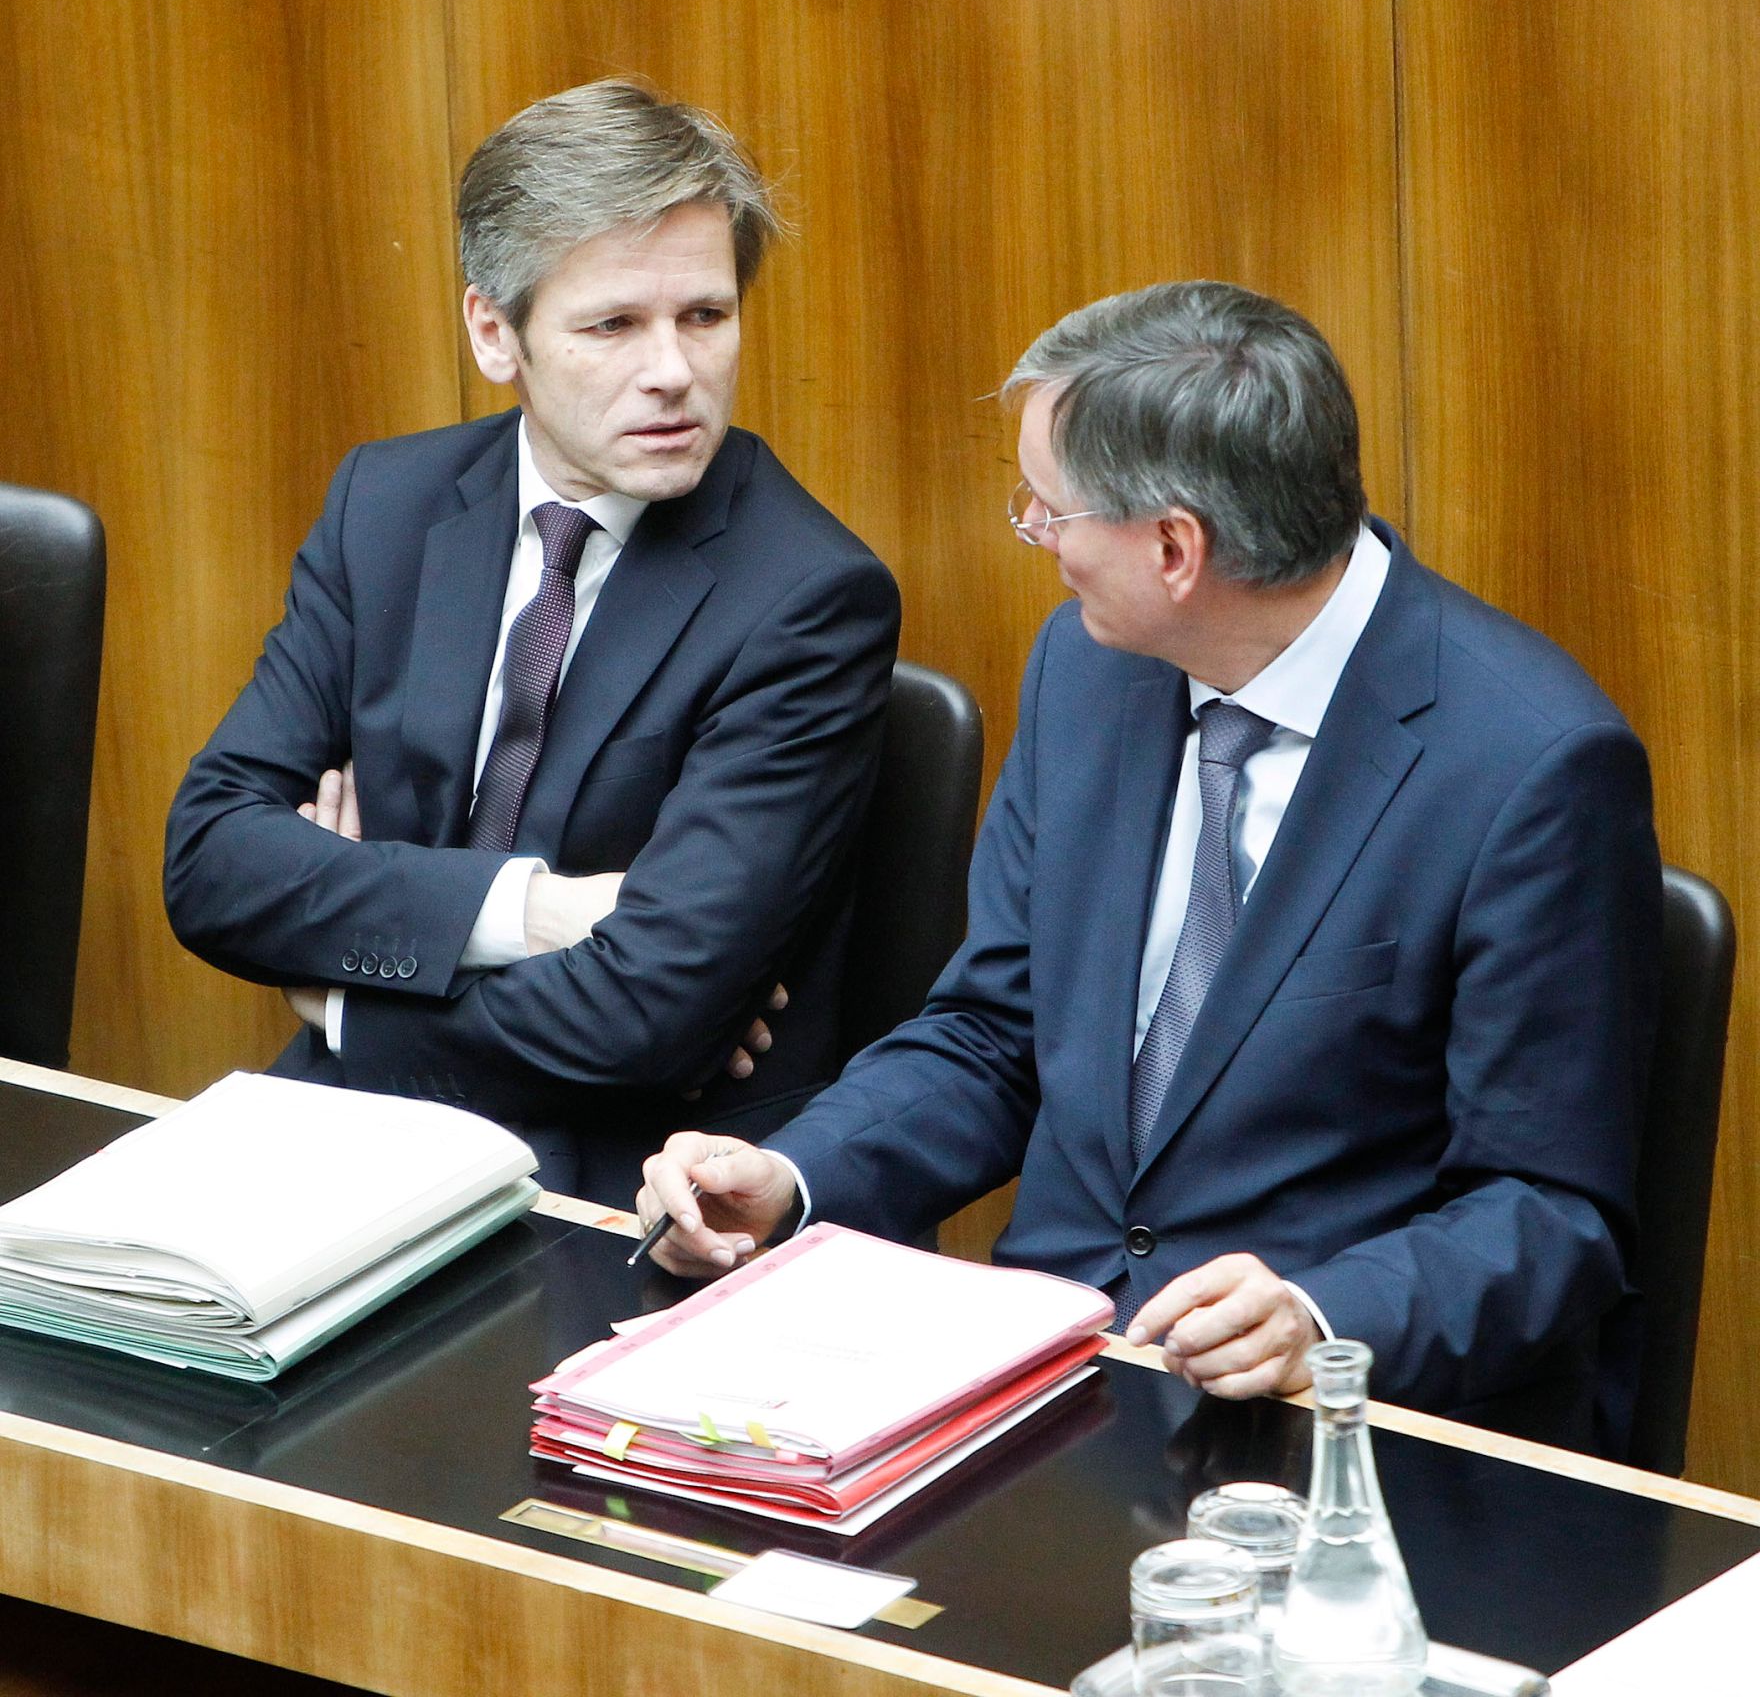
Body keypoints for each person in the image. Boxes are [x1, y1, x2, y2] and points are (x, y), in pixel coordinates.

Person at [638, 280, 1661, 1451]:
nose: (1034, 530)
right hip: (1049, 1393)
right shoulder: (1088, 668)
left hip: (1326, 1431)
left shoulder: (1529, 766)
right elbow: (996, 1031)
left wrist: (1319, 1316)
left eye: (1048, 506)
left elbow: (1547, 1212)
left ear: (1174, 547)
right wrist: (789, 1174)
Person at [164, 80, 901, 1202]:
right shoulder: (387, 505)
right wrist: (531, 911)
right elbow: (214, 859)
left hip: (624, 1171)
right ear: (493, 332)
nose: (673, 370)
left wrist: (348, 993)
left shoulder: (809, 595)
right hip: (340, 1125)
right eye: (613, 325)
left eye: (705, 316)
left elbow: (649, 1012)